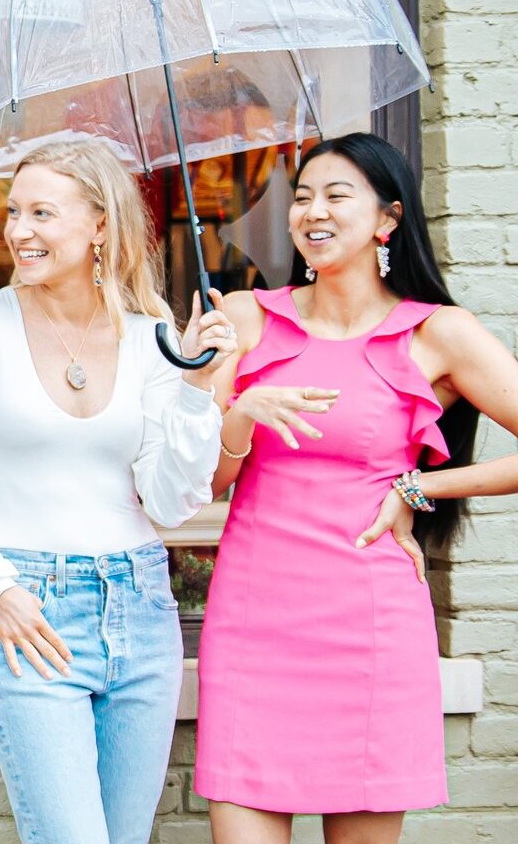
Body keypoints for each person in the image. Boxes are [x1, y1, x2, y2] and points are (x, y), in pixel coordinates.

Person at [198, 132, 518, 844]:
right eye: (302, 196)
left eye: (336, 195)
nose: (313, 210)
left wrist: (419, 488)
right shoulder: (247, 320)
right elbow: (206, 483)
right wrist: (230, 409)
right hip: (255, 624)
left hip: (371, 625)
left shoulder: (436, 333)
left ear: (387, 219)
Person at [0, 139, 236, 844]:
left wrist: (195, 389)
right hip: (32, 611)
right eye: (14, 212)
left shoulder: (153, 337)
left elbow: (172, 502)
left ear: (99, 224)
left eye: (42, 213)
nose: (19, 231)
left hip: (142, 609)